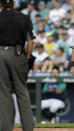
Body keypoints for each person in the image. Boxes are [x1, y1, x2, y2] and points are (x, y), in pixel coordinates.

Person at [0, 0, 35, 130]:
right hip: (18, 54)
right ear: (14, 4)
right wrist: (26, 57)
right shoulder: (23, 17)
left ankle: (5, 128)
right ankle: (28, 127)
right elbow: (31, 42)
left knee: (4, 93)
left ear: (0, 4)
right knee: (22, 91)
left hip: (1, 54)